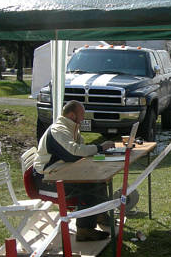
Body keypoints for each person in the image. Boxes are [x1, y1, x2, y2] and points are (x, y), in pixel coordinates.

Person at [33, 100, 115, 241]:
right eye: (82, 114)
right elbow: (74, 153)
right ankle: (84, 229)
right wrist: (100, 148)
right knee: (88, 185)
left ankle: (99, 213)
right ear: (72, 115)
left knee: (98, 176)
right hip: (45, 179)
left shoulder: (71, 127)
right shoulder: (59, 130)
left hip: (57, 172)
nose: (84, 118)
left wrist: (96, 152)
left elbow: (80, 151)